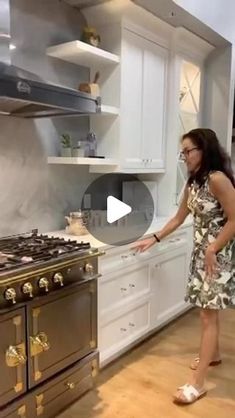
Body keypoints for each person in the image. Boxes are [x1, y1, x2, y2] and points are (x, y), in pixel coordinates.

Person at [132, 128, 235, 405]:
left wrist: (213, 248)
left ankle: (197, 383)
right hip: (202, 255)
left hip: (217, 256)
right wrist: (153, 238)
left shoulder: (217, 179)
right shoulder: (194, 182)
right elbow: (179, 218)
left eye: (188, 151)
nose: (185, 156)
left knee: (207, 316)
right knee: (207, 311)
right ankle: (212, 356)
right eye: (183, 152)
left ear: (204, 150)